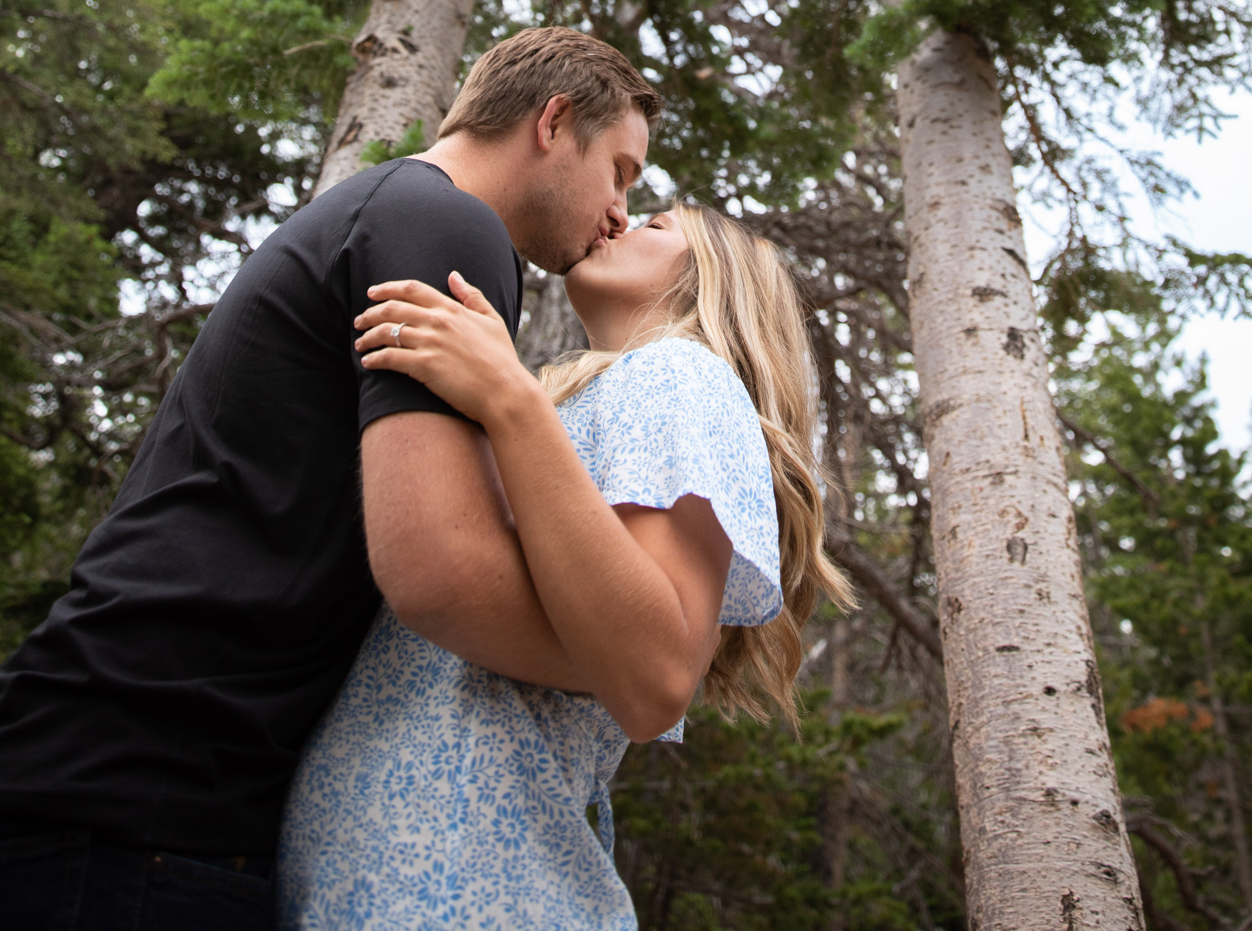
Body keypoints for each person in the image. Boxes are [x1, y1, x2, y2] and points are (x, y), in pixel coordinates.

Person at [0, 27, 657, 930]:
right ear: (553, 121)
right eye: (619, 171)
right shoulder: (450, 222)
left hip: (107, 789)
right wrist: (636, 674)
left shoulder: (385, 210)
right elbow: (437, 568)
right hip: (141, 811)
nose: (621, 210)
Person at [276, 201, 852, 929]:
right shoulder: (598, 399)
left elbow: (656, 681)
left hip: (471, 882)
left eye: (654, 224)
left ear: (712, 279)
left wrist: (510, 401)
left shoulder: (679, 377)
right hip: (384, 873)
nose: (616, 220)